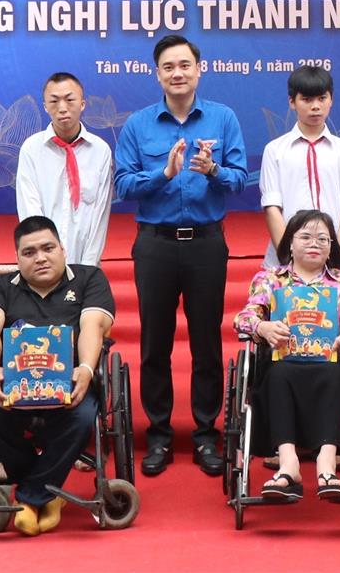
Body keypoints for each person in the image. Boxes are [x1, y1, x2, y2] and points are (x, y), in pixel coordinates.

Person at [114, 34, 249, 478]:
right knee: (154, 344)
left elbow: (240, 179)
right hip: (155, 244)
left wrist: (213, 170)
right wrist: (164, 173)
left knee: (207, 343)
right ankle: (158, 435)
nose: (178, 73)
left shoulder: (223, 118)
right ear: (157, 74)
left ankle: (207, 434)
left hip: (206, 243)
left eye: (185, 65)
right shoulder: (138, 124)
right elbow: (123, 185)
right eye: (169, 66)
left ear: (199, 69)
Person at [0, 216, 117, 535]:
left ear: (62, 250)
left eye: (48, 248)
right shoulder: (0, 287)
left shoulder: (89, 279)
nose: (40, 257)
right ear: (17, 258)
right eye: (29, 252)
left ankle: (29, 498)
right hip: (15, 386)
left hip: (70, 385)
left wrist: (86, 369)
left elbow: (93, 326)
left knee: (83, 416)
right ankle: (46, 494)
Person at [235, 209, 340, 502]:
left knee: (333, 374)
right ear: (290, 243)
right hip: (283, 362)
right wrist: (263, 327)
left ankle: (326, 464)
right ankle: (288, 464)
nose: (314, 243)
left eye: (322, 239)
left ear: (331, 247)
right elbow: (244, 317)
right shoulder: (270, 279)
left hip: (332, 363)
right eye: (305, 236)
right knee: (278, 375)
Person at [259, 65, 340, 269]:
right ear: (292, 102)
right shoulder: (275, 150)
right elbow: (272, 207)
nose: (315, 106)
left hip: (335, 260)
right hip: (285, 261)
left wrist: (335, 258)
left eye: (322, 98)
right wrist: (288, 258)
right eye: (306, 99)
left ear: (331, 100)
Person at [14, 72, 115, 267]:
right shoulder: (31, 149)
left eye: (69, 100)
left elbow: (100, 213)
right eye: (54, 101)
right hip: (43, 262)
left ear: (82, 104)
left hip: (85, 257)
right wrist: (44, 255)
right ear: (45, 106)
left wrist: (88, 265)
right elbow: (29, 208)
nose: (62, 108)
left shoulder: (100, 150)